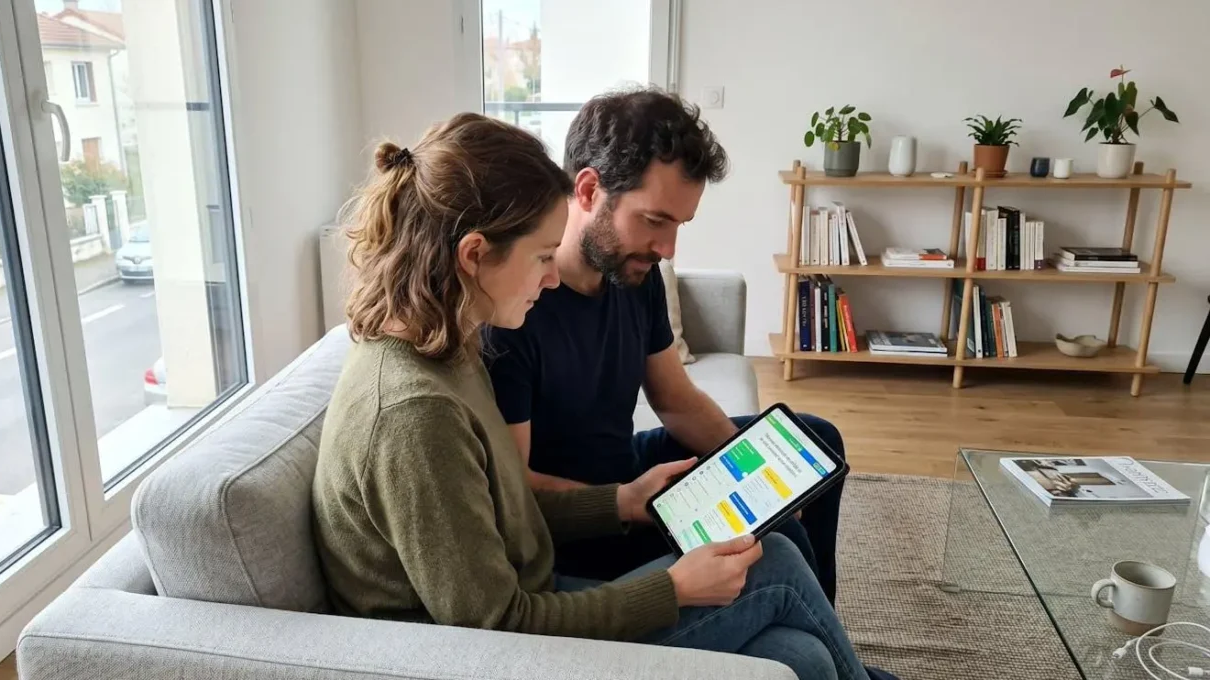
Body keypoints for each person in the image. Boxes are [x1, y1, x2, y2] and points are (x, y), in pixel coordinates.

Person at [312, 112, 872, 680]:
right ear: (475, 255)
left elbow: (505, 505)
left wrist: (623, 502)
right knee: (774, 565)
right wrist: (672, 589)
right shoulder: (417, 412)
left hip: (528, 590)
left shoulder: (448, 349)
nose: (551, 278)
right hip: (476, 654)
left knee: (803, 656)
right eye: (540, 257)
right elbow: (494, 627)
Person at [483, 88, 850, 602]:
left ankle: (820, 617)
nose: (668, 249)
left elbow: (675, 401)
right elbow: (515, 488)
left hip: (627, 467)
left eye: (679, 225)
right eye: (655, 220)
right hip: (589, 522)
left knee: (812, 446)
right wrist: (629, 501)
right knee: (771, 539)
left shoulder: (636, 276)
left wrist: (754, 471)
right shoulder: (513, 309)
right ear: (588, 190)